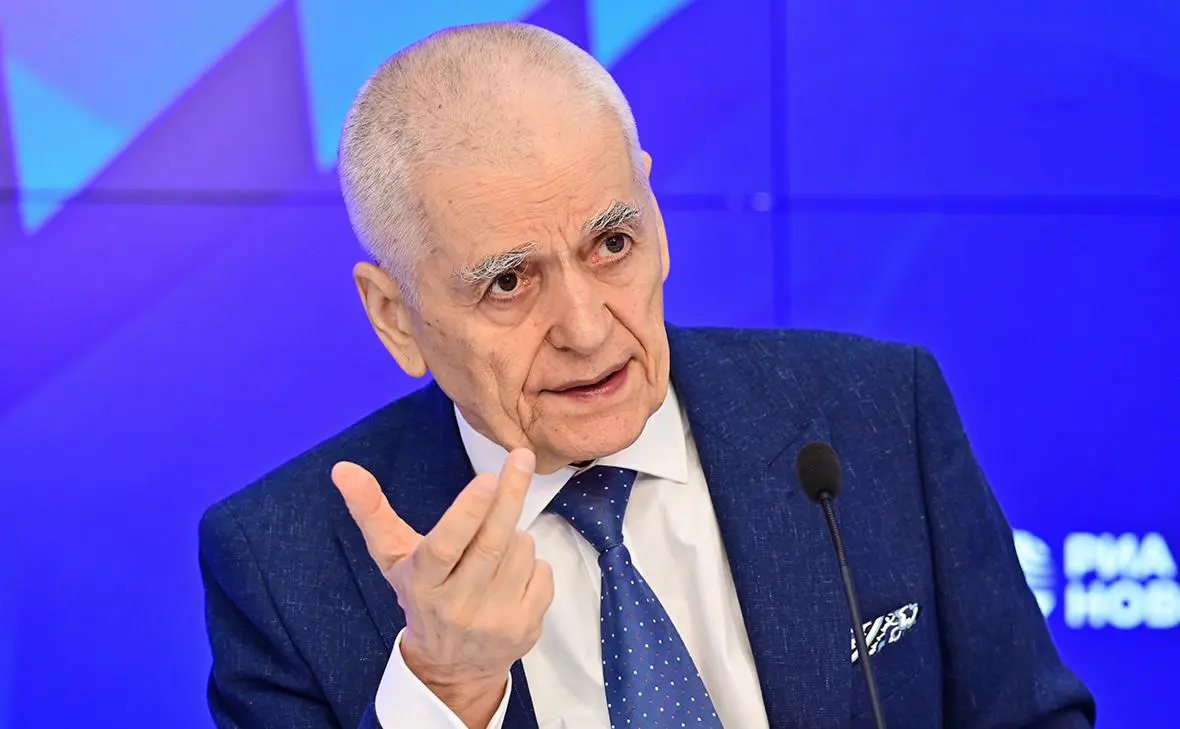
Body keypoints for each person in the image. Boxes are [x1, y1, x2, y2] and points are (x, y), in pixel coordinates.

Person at [198, 22, 1095, 729]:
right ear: (396, 315)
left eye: (612, 243)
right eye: (509, 282)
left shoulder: (876, 413)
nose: (589, 329)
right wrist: (447, 687)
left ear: (655, 214)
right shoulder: (285, 563)